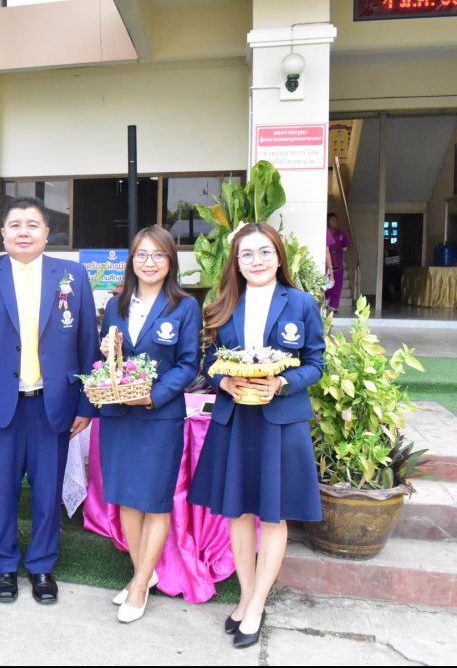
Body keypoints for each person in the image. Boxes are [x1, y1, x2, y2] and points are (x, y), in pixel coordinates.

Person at [0, 195, 99, 605]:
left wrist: (86, 405)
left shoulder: (72, 276)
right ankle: (3, 565)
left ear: (46, 233)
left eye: (32, 225)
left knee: (47, 492)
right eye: (15, 225)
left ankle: (41, 566)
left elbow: (88, 343)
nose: (23, 232)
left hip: (53, 405)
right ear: (3, 233)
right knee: (1, 490)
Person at [188, 222, 325, 649]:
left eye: (265, 252)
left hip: (280, 421)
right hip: (236, 419)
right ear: (237, 261)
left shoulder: (301, 303)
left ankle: (258, 602)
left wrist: (281, 383)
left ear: (279, 256)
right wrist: (223, 381)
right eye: (246, 254)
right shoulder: (225, 302)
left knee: (272, 515)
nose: (256, 261)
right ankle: (247, 597)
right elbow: (210, 360)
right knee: (238, 512)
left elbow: (316, 363)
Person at [97, 227, 201, 623]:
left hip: (159, 416)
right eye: (141, 254)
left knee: (155, 500)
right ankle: (143, 572)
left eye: (158, 255)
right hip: (119, 415)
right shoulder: (116, 304)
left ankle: (139, 585)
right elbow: (108, 360)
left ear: (170, 261)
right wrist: (108, 351)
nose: (149, 262)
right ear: (131, 261)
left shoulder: (184, 307)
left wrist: (152, 396)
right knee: (126, 497)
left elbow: (188, 364)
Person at [325, 213, 352, 311]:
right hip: (326, 265)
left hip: (338, 264)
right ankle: (325, 299)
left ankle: (333, 306)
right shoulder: (325, 232)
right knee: (327, 284)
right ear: (328, 221)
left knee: (337, 285)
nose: (335, 222)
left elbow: (347, 245)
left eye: (336, 220)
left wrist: (343, 248)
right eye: (332, 220)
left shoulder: (341, 233)